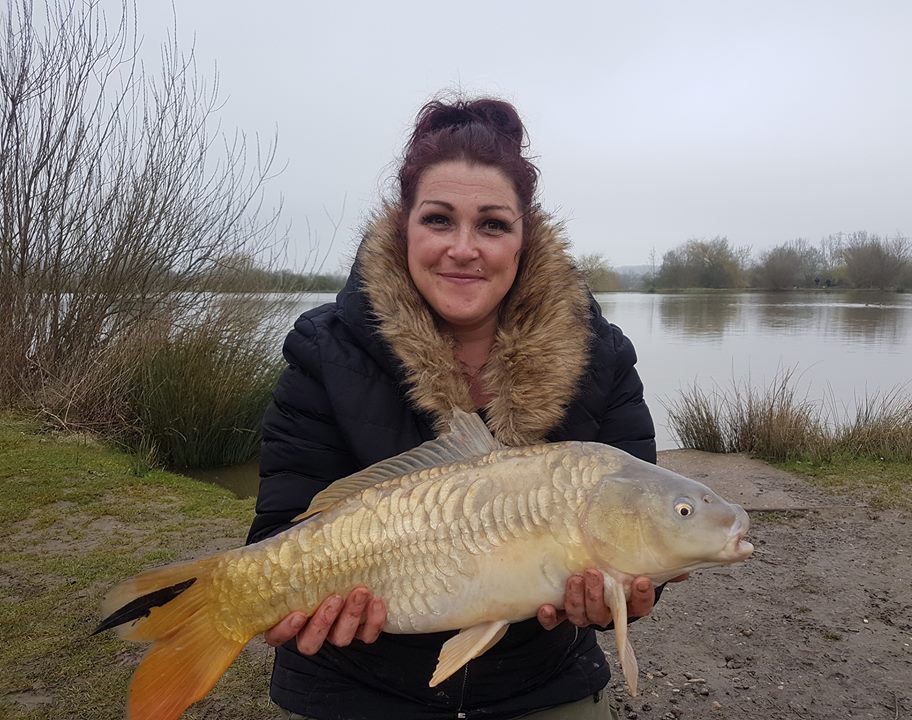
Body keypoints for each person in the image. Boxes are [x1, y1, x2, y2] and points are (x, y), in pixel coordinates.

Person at [248, 96, 676, 720]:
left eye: (493, 225)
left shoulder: (601, 355)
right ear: (405, 227)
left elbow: (642, 530)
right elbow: (279, 532)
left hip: (539, 679)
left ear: (525, 239)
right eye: (439, 220)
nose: (464, 248)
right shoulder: (324, 351)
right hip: (356, 682)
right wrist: (288, 599)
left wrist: (634, 594)